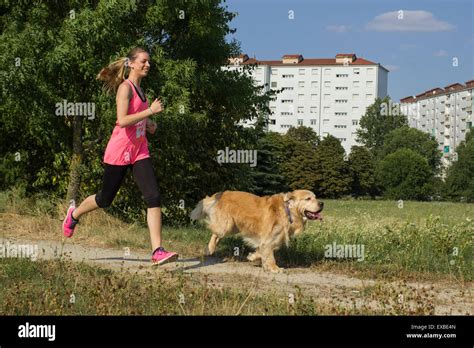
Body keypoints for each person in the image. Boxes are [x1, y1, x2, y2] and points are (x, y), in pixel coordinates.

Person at [62, 47, 178, 265]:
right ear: (132, 64)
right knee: (105, 199)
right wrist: (151, 112)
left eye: (149, 62)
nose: (148, 65)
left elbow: (137, 118)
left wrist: (149, 124)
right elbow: (123, 120)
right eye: (144, 61)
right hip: (120, 150)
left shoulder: (141, 91)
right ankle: (74, 214)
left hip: (139, 151)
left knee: (153, 197)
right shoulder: (125, 88)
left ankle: (157, 251)